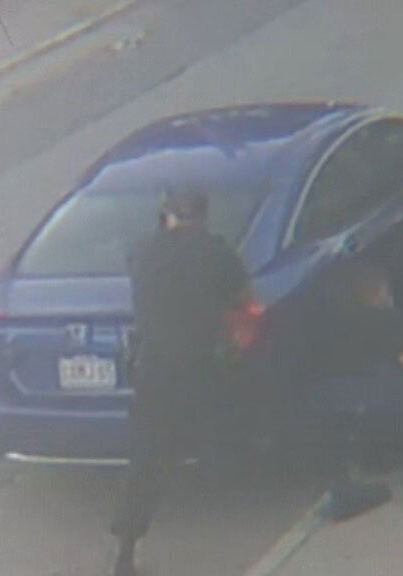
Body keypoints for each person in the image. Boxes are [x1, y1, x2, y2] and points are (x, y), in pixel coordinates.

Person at [110, 184, 249, 576]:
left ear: (167, 216)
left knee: (146, 458)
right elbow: (242, 295)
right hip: (200, 366)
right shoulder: (216, 252)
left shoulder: (144, 251)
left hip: (154, 368)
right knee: (224, 436)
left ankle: (126, 550)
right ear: (202, 217)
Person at [308, 263, 403, 519]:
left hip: (357, 422)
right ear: (381, 291)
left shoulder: (339, 329)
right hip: (397, 415)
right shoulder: (390, 322)